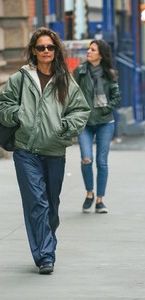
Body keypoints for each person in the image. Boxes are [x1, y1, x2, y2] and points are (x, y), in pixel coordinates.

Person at [0, 27, 90, 274]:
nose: (46, 51)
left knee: (51, 205)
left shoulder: (65, 80)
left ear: (56, 50)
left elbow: (81, 110)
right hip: (25, 150)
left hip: (55, 151)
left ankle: (45, 243)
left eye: (50, 47)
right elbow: (2, 104)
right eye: (41, 47)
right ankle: (46, 256)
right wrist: (19, 115)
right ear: (34, 51)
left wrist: (65, 126)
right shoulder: (21, 78)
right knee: (37, 202)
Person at [73, 39, 121, 214]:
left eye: (92, 50)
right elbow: (72, 94)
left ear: (100, 54)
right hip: (85, 122)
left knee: (101, 162)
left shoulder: (109, 73)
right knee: (86, 158)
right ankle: (89, 193)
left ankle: (100, 200)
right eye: (88, 49)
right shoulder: (79, 71)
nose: (88, 52)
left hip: (104, 122)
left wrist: (106, 109)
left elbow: (116, 96)